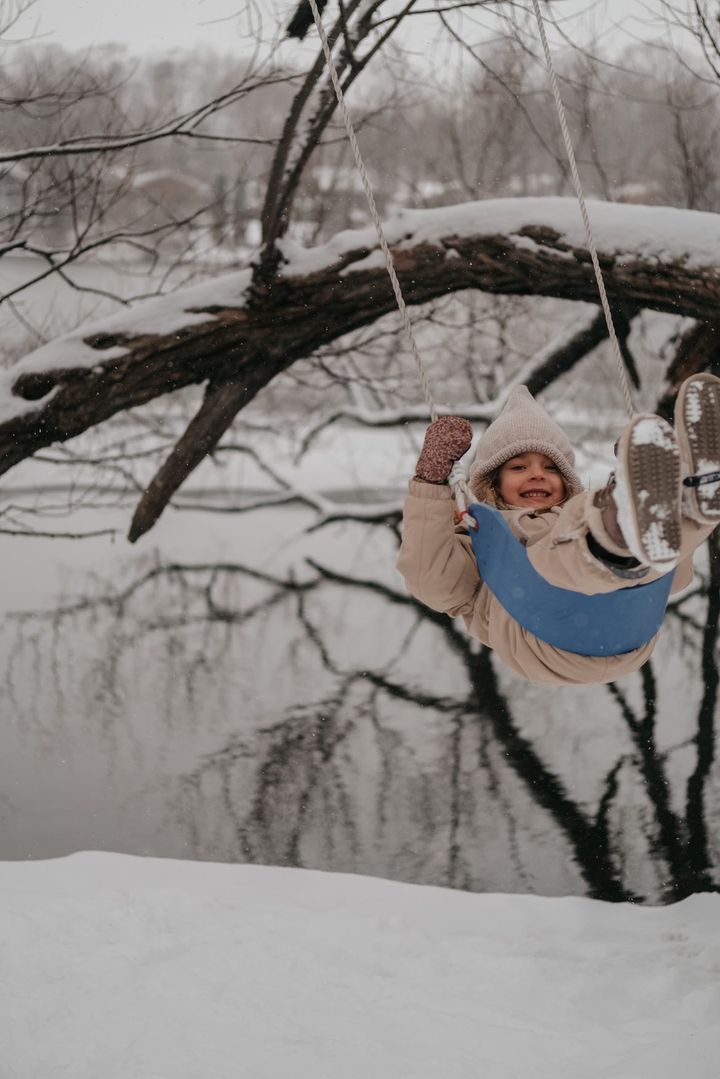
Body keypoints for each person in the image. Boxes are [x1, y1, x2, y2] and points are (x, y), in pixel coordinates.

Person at [396, 375, 720, 685]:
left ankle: (689, 503)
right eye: (519, 467)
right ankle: (619, 531)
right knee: (561, 543)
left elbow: (675, 580)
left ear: (566, 481)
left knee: (651, 551)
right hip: (540, 640)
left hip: (631, 629)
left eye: (551, 468)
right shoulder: (479, 539)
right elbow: (432, 580)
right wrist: (430, 481)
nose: (538, 475)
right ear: (491, 482)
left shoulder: (577, 514)